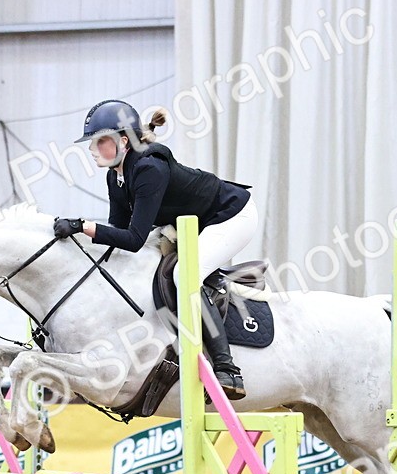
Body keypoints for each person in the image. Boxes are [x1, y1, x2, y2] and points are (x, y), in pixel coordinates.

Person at [52, 100, 258, 400]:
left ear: (124, 141)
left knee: (183, 276)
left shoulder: (149, 167)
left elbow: (134, 238)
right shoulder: (116, 176)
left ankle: (228, 370)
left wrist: (83, 226)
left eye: (100, 141)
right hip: (194, 221)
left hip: (232, 215)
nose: (92, 149)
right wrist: (78, 240)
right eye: (92, 143)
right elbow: (117, 237)